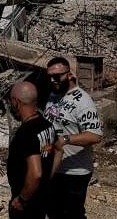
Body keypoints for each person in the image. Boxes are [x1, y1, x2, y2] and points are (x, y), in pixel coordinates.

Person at [43, 57, 103, 219]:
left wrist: (65, 140)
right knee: (53, 212)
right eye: (49, 76)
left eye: (57, 76)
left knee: (72, 214)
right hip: (54, 167)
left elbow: (95, 135)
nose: (53, 80)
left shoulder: (83, 101)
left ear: (69, 75)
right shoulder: (53, 95)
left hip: (75, 171)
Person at [7, 81, 62, 219]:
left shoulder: (26, 133)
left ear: (15, 102)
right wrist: (47, 178)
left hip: (27, 204)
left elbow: (35, 173)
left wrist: (21, 200)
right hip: (42, 197)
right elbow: (59, 150)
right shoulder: (47, 124)